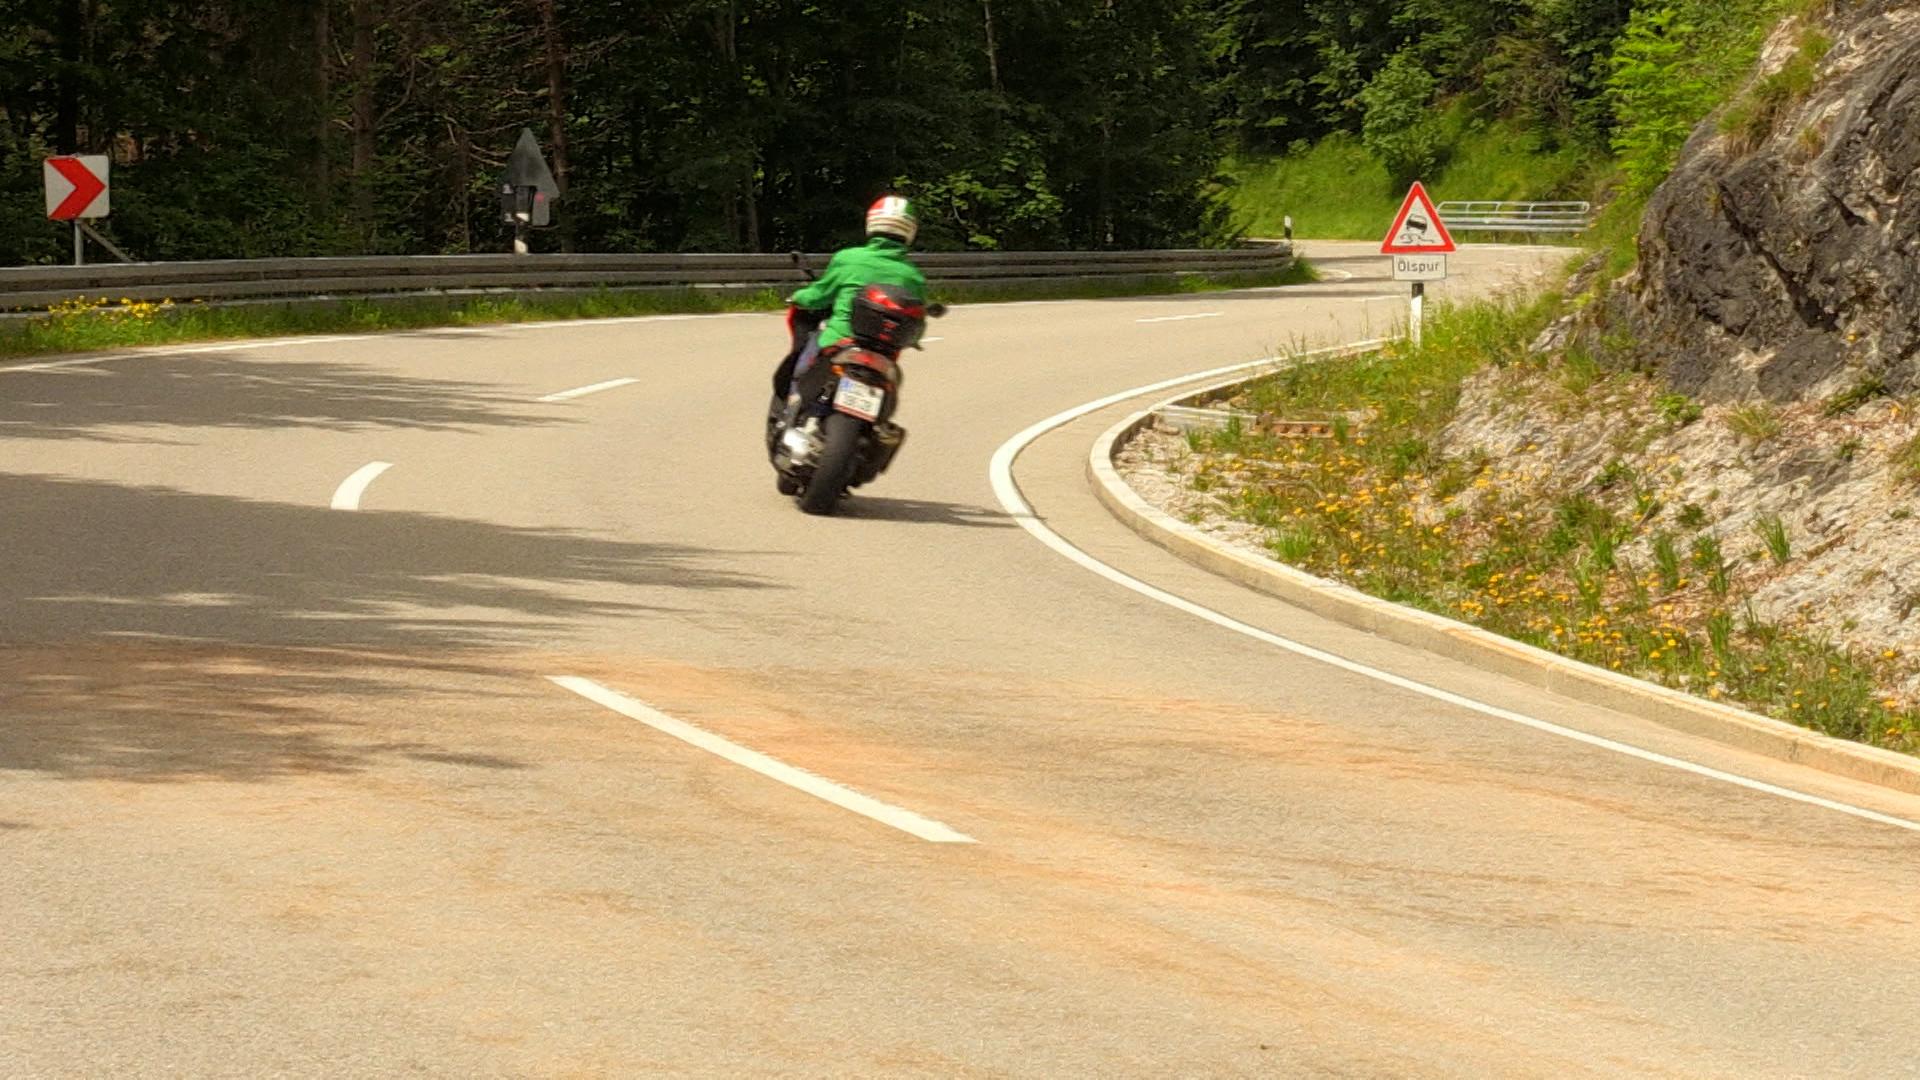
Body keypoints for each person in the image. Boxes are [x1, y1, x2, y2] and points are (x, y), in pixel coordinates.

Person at [775, 195, 927, 406]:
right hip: (884, 353)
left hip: (841, 340)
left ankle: (793, 400)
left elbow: (819, 295)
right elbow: (915, 319)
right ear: (910, 230)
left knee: (803, 363)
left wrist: (798, 297)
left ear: (872, 223)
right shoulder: (913, 276)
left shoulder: (848, 258)